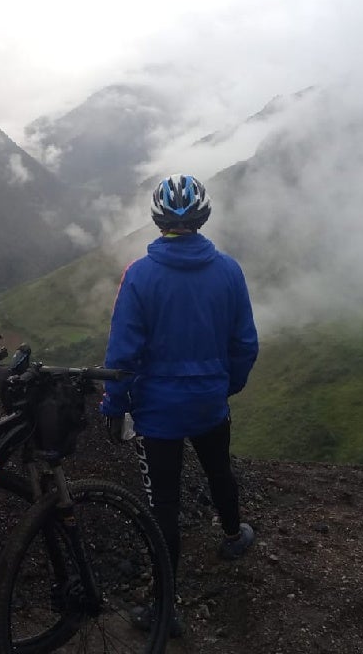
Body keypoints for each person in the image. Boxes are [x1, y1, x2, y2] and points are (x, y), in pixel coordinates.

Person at [100, 174, 260, 611]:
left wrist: (114, 406)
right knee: (218, 471)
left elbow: (122, 354)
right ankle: (232, 537)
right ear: (204, 217)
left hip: (157, 414)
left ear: (157, 220)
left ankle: (164, 607)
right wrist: (227, 386)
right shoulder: (228, 270)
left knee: (163, 505)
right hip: (210, 403)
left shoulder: (140, 275)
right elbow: (245, 343)